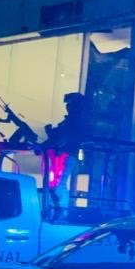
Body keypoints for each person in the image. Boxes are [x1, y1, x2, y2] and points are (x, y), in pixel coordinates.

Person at [43, 93, 91, 221]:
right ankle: (56, 211)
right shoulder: (71, 120)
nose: (67, 107)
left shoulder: (77, 121)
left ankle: (60, 213)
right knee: (54, 184)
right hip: (60, 154)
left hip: (65, 155)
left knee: (59, 184)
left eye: (70, 104)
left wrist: (54, 135)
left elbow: (66, 138)